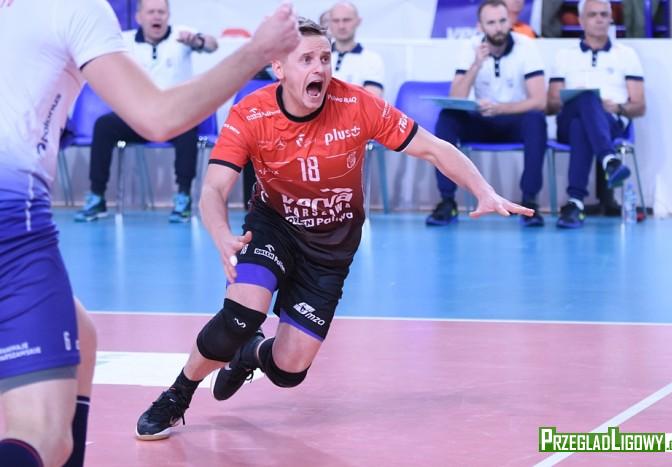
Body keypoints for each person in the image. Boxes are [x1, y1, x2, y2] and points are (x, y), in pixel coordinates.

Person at [134, 16, 532, 442]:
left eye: (325, 58)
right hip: (273, 227)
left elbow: (433, 149)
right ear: (278, 67)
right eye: (306, 59)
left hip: (331, 247)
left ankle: (249, 354)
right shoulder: (251, 112)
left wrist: (483, 190)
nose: (319, 68)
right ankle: (177, 395)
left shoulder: (357, 105)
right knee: (241, 316)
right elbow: (213, 188)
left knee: (289, 371)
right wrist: (219, 233)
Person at [0, 0, 300, 465]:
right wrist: (257, 51)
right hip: (11, 222)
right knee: (42, 435)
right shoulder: (71, 8)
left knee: (80, 335)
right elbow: (158, 116)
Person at [74, 0, 219, 223]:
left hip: (175, 118)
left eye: (161, 12)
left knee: (189, 124)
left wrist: (198, 41)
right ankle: (97, 196)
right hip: (138, 117)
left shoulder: (182, 36)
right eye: (151, 12)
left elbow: (212, 45)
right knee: (104, 125)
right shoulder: (124, 41)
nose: (156, 16)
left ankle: (183, 197)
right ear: (139, 17)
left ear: (168, 15)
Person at [427, 0, 547, 227]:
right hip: (481, 120)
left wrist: (502, 108)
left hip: (513, 120)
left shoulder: (526, 46)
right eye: (491, 23)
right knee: (448, 117)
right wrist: (476, 65)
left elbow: (540, 101)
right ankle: (447, 201)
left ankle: (529, 202)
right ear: (480, 27)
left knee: (536, 120)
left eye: (502, 21)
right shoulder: (470, 47)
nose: (498, 28)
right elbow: (456, 98)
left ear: (509, 21)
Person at [547, 0, 645, 228]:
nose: (599, 19)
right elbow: (550, 105)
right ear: (581, 20)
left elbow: (639, 106)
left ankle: (575, 203)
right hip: (567, 120)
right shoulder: (564, 55)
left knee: (581, 125)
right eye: (593, 15)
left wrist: (617, 107)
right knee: (586, 98)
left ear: (611, 18)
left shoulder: (626, 55)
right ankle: (609, 161)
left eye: (604, 14)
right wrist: (574, 98)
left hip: (610, 122)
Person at [328, 2, 385, 97]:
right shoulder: (318, 57)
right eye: (336, 20)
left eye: (346, 20)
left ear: (358, 21)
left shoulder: (372, 59)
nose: (341, 26)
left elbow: (371, 100)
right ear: (329, 23)